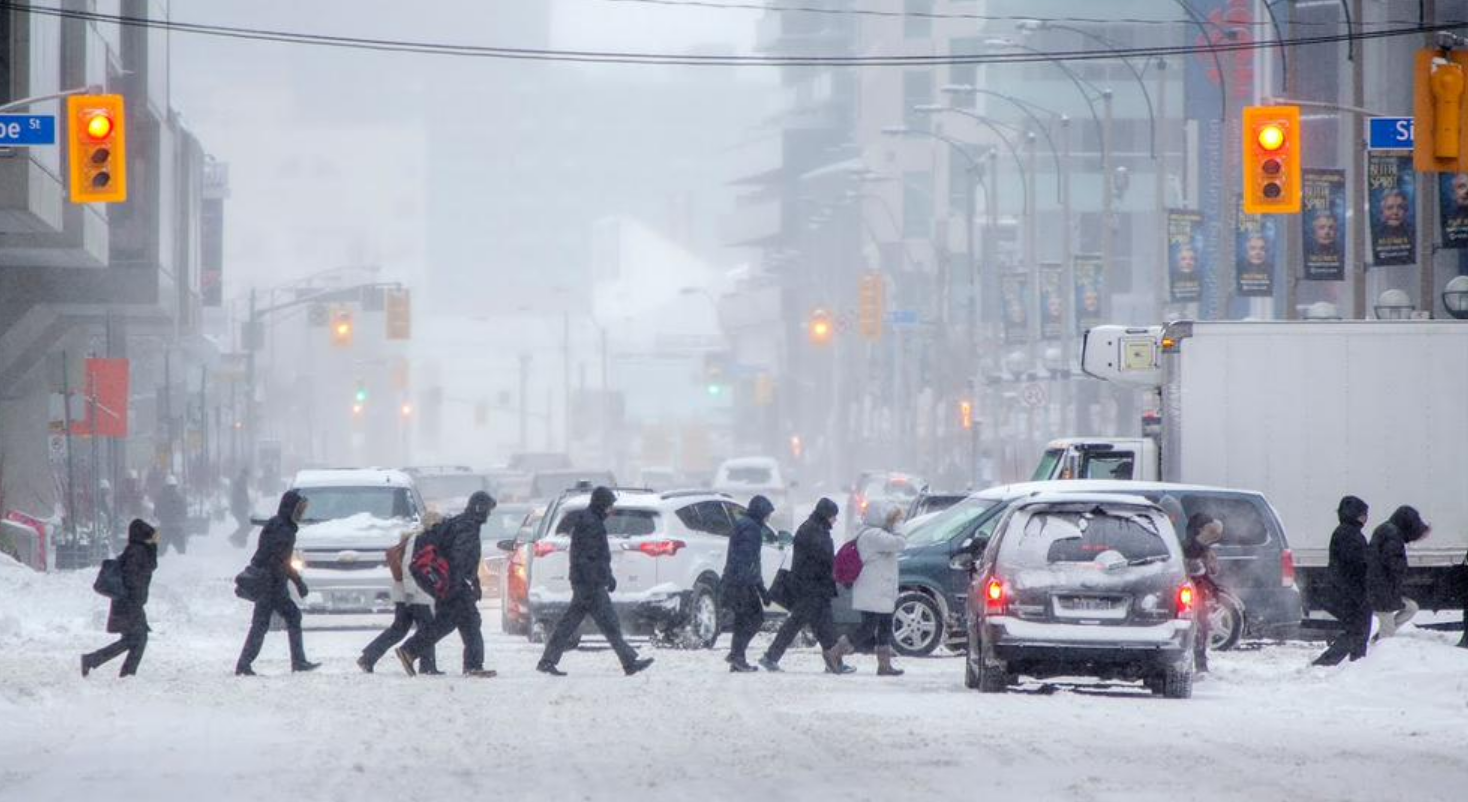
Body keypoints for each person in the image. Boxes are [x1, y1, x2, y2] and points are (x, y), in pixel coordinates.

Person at [536, 487, 654, 677]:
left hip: (586, 583)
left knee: (572, 624)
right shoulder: (591, 524)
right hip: (590, 585)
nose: (610, 510)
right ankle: (629, 662)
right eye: (609, 506)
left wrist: (605, 577)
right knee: (609, 624)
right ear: (601, 504)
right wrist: (601, 580)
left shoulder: (589, 520)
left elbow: (594, 557)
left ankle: (547, 661)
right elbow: (590, 558)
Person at [396, 492, 498, 678]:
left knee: (464, 622)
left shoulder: (461, 522)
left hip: (449, 582)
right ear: (480, 508)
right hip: (454, 584)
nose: (488, 516)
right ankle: (410, 651)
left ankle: (471, 664)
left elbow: (464, 559)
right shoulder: (467, 527)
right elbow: (459, 558)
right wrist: (458, 586)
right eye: (488, 511)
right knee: (455, 623)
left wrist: (473, 582)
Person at [759, 498, 855, 674]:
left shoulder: (813, 527)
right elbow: (821, 559)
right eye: (834, 516)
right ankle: (771, 657)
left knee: (824, 626)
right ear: (826, 515)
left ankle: (834, 662)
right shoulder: (814, 530)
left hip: (814, 587)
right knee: (797, 623)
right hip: (811, 588)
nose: (835, 520)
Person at [235, 490, 319, 676]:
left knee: (264, 623)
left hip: (270, 582)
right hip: (271, 583)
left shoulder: (276, 524)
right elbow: (281, 561)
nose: (301, 514)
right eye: (299, 509)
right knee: (282, 619)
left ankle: (245, 663)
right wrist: (298, 582)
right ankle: (297, 662)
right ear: (291, 508)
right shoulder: (285, 530)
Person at [358, 516, 441, 675]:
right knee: (428, 628)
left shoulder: (418, 539)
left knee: (399, 629)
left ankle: (368, 658)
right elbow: (408, 566)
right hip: (415, 593)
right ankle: (427, 666)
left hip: (407, 593)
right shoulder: (420, 540)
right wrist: (410, 592)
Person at [81, 519, 160, 678]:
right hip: (129, 603)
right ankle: (101, 663)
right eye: (151, 535)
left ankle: (96, 661)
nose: (155, 538)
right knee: (136, 639)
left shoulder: (139, 549)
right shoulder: (137, 551)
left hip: (130, 603)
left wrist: (153, 545)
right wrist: (135, 598)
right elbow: (132, 577)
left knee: (136, 639)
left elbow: (151, 565)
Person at [1313, 496, 1372, 666]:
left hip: (1347, 590)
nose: (1365, 518)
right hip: (1350, 592)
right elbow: (1356, 564)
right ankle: (1328, 663)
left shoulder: (1346, 532)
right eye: (1363, 514)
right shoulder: (1349, 534)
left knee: (1357, 630)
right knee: (1357, 630)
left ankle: (1357, 662)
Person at [851, 500, 907, 677]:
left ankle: (884, 665)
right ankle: (836, 652)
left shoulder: (874, 533)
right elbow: (899, 543)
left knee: (884, 626)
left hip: (879, 589)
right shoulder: (873, 535)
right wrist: (898, 523)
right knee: (867, 628)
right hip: (874, 590)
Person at [722, 495, 774, 673]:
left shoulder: (746, 524)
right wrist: (758, 588)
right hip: (742, 582)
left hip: (737, 580)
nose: (768, 519)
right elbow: (749, 560)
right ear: (760, 513)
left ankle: (737, 656)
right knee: (754, 618)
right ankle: (737, 655)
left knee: (742, 620)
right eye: (767, 514)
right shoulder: (751, 530)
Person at [1368, 505, 1430, 640]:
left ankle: (1378, 639)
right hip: (1381, 590)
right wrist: (1402, 573)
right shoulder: (1392, 535)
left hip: (1382, 588)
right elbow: (1392, 563)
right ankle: (1380, 650)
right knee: (1388, 632)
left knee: (1411, 607)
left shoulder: (1388, 531)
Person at [1182, 513, 1224, 674]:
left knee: (1200, 626)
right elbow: (1208, 570)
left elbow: (1211, 571)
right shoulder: (1191, 547)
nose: (1213, 537)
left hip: (1198, 591)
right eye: (1210, 533)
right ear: (1200, 530)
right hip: (1192, 591)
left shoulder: (1200, 547)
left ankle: (1200, 664)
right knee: (1198, 627)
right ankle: (1200, 665)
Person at [153, 475, 188, 556]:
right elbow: (184, 511)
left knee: (161, 549)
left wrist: (161, 518)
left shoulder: (160, 497)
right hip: (176, 526)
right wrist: (180, 519)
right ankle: (183, 562)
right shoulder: (179, 497)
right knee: (181, 549)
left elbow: (156, 512)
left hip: (165, 525)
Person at [229, 469, 252, 548]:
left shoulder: (241, 483)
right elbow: (239, 497)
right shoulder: (240, 483)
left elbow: (244, 496)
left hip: (240, 508)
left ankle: (239, 541)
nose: (247, 478)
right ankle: (235, 539)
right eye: (246, 476)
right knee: (246, 525)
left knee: (247, 525)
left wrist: (248, 504)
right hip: (238, 509)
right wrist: (244, 505)